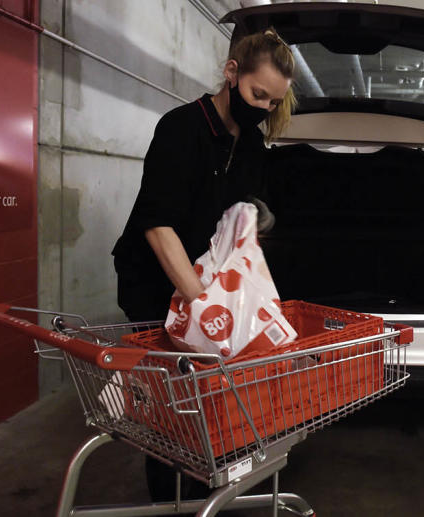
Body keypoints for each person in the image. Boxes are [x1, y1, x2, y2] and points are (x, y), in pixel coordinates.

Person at [111, 28, 296, 501]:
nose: (264, 109)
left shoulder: (252, 146)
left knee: (210, 402)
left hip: (204, 284)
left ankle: (206, 496)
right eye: (259, 95)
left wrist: (257, 212)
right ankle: (168, 501)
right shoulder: (181, 128)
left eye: (273, 103)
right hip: (155, 282)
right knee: (170, 409)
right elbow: (158, 226)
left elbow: (237, 221)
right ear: (231, 73)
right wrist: (206, 308)